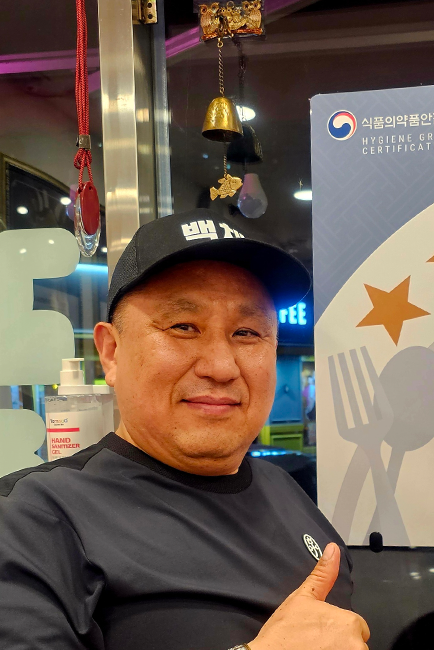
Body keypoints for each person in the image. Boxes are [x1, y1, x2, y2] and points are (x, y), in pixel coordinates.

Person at [0, 208, 370, 650]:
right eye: (183, 327)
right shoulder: (31, 521)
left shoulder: (287, 491)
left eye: (247, 333)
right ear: (111, 353)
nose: (221, 366)